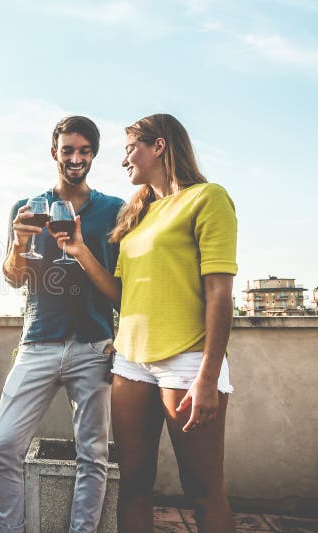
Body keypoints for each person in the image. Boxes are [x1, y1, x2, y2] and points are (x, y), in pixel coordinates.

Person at [55, 113, 236, 532]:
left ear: (159, 146)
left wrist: (207, 376)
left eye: (129, 149)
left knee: (203, 489)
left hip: (188, 361)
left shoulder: (208, 199)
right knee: (133, 481)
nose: (123, 161)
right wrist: (81, 251)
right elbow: (124, 295)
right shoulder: (139, 214)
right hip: (130, 362)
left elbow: (219, 293)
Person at [0, 116, 124, 533]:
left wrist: (81, 252)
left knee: (93, 455)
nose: (75, 158)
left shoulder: (114, 210)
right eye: (68, 150)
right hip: (39, 340)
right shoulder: (27, 208)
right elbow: (14, 277)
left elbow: (120, 289)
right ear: (55, 153)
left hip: (94, 344)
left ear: (93, 156)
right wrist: (18, 245)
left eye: (84, 151)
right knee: (3, 445)